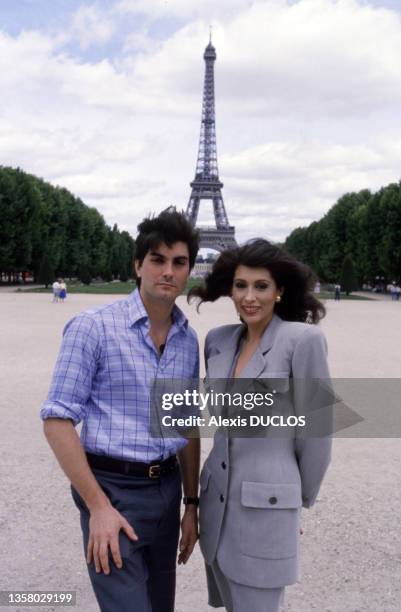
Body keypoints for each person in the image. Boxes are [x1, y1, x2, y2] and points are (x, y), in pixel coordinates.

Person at [41, 209, 201, 612]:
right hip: (113, 491)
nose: (168, 271)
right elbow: (57, 420)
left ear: (189, 271)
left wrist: (191, 505)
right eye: (157, 260)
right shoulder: (92, 327)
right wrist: (97, 506)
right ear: (138, 265)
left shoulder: (187, 340)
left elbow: (185, 427)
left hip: (167, 492)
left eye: (179, 262)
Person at [189, 239, 332, 612]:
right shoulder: (217, 341)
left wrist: (293, 504)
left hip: (267, 509)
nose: (249, 297)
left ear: (280, 291)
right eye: (240, 286)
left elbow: (317, 433)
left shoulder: (303, 340)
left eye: (261, 286)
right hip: (216, 507)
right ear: (229, 289)